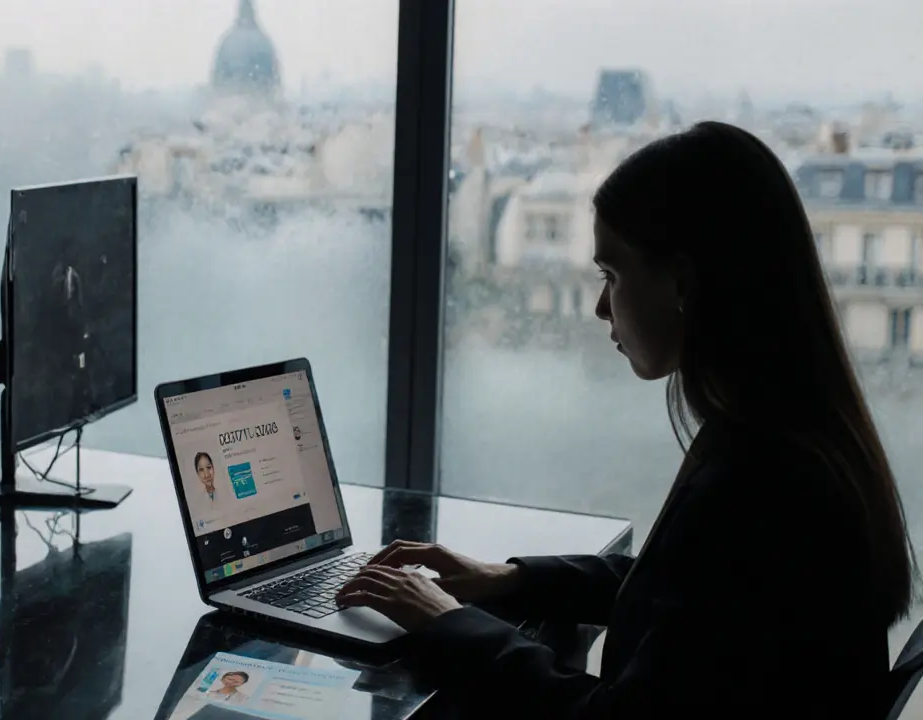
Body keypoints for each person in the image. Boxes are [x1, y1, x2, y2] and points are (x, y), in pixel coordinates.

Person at [336, 121, 915, 717]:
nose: (598, 305)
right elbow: (689, 593)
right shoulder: (789, 436)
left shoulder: (760, 481)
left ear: (684, 283)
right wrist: (510, 579)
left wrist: (449, 621)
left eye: (611, 275)